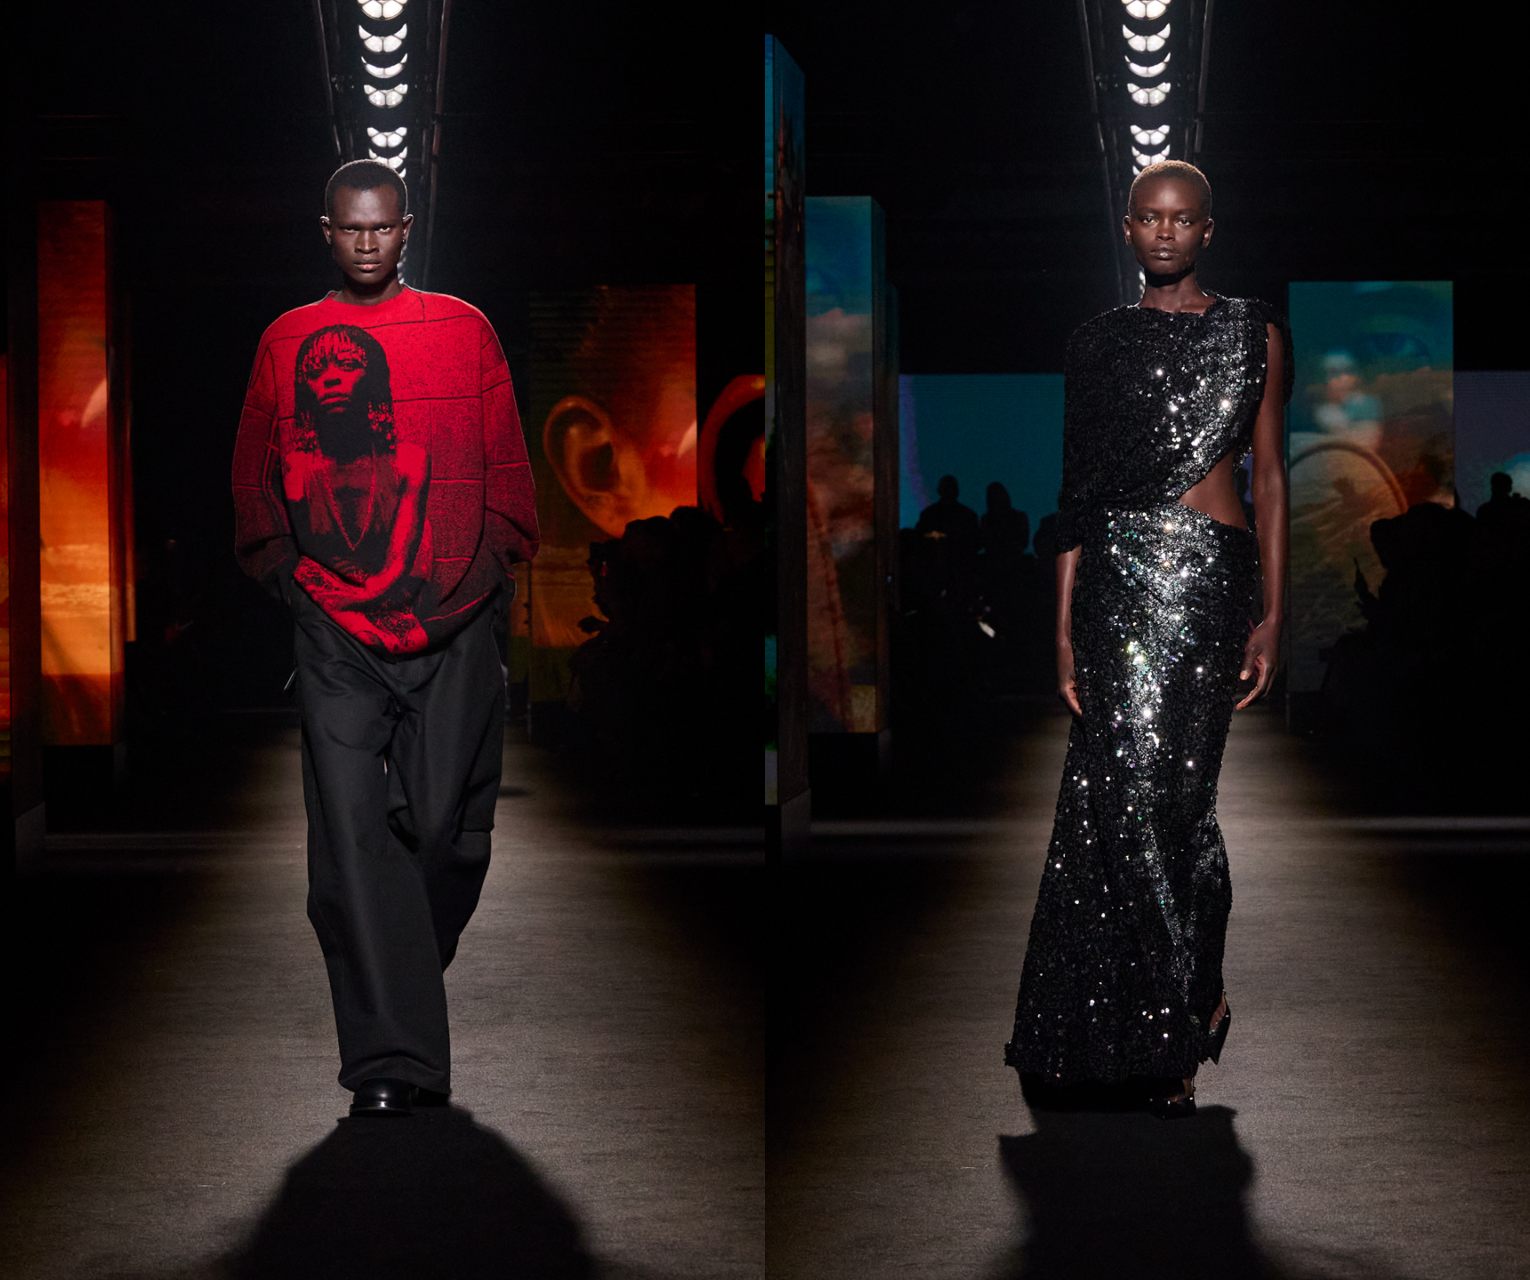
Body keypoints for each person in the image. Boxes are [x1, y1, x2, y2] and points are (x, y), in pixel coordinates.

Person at [231, 159, 540, 1116]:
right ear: (326, 230)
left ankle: (399, 965)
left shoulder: (463, 328)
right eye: (351, 227)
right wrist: (290, 580)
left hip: (454, 618)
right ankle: (389, 1063)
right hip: (333, 631)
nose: (367, 242)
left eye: (383, 227)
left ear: (406, 230)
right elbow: (253, 475)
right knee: (351, 839)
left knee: (449, 831)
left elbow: (506, 463)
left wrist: (490, 571)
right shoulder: (286, 339)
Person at [1001, 159, 1291, 1118]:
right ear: (1127, 229)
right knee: (1115, 804)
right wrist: (1061, 633)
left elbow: (1270, 478)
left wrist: (1274, 613)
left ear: (1208, 230)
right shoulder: (1095, 343)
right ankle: (1152, 1026)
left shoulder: (1254, 332)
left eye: (1184, 218)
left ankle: (1184, 1002)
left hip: (1212, 585)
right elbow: (1077, 493)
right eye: (1150, 218)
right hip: (1116, 585)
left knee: (1178, 803)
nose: (1166, 232)